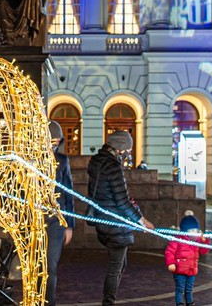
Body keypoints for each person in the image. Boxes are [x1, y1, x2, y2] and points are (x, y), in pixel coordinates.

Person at [88, 131, 154, 306]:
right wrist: (142, 221)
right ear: (119, 148)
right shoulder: (113, 167)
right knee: (115, 269)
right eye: (127, 150)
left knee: (120, 265)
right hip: (116, 225)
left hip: (103, 220)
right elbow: (122, 201)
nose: (128, 154)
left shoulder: (96, 162)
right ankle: (108, 302)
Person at [46, 121, 75, 306]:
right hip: (33, 221)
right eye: (51, 140)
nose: (54, 144)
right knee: (34, 266)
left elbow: (68, 194)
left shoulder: (62, 161)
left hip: (56, 222)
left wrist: (69, 225)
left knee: (50, 267)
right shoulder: (30, 160)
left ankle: (49, 303)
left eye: (57, 141)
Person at [163, 210, 210, 306]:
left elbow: (203, 251)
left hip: (191, 270)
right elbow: (169, 251)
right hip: (179, 270)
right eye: (191, 230)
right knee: (180, 288)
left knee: (189, 289)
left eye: (196, 230)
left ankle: (190, 303)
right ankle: (179, 303)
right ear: (185, 230)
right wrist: (171, 263)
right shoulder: (177, 239)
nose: (194, 233)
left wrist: (205, 241)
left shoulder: (197, 241)